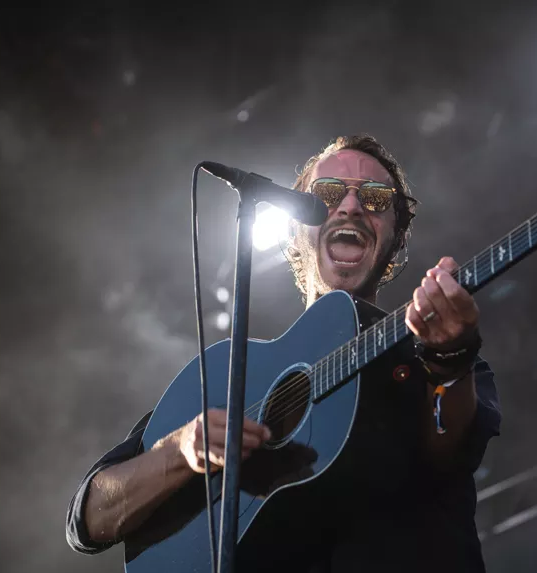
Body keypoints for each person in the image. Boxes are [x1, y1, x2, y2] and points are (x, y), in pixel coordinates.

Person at [66, 135, 502, 572]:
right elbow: (90, 519)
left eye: (375, 199)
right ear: (295, 227)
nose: (351, 207)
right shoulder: (234, 375)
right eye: (328, 193)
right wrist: (180, 453)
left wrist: (451, 357)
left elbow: (450, 455)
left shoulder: (428, 353)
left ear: (396, 237)